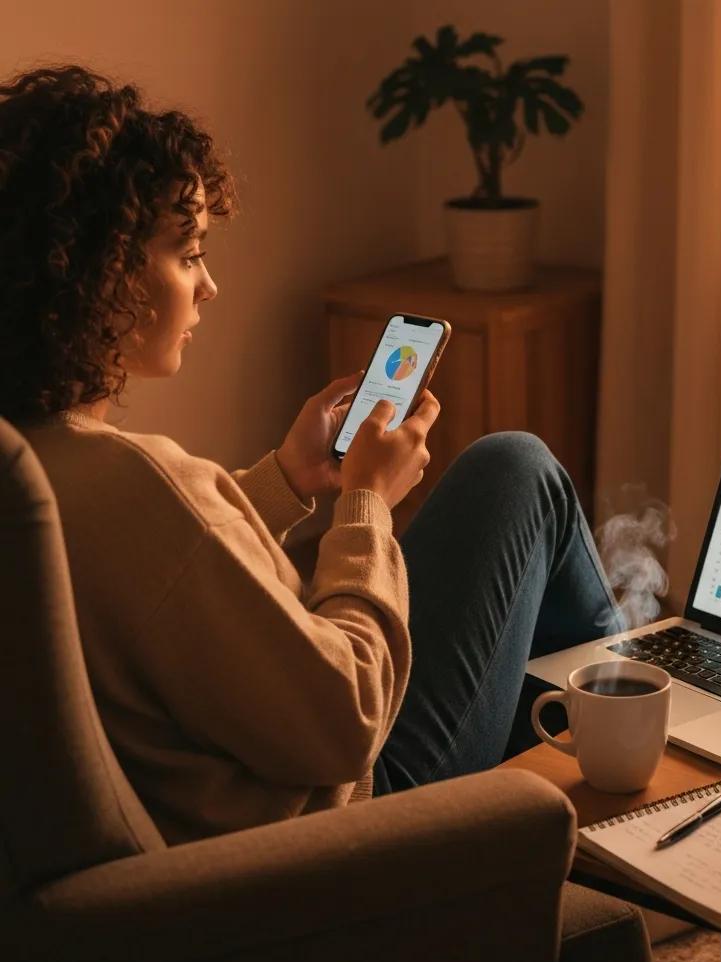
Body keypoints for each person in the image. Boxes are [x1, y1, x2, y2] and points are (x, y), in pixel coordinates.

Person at [0, 64, 624, 843]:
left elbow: (169, 578)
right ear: (98, 271)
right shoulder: (141, 480)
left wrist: (288, 479)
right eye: (188, 253)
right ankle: (640, 777)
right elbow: (349, 720)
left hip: (251, 788)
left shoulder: (35, 461)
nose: (210, 286)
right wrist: (365, 504)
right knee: (519, 472)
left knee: (510, 486)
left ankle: (582, 790)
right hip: (343, 823)